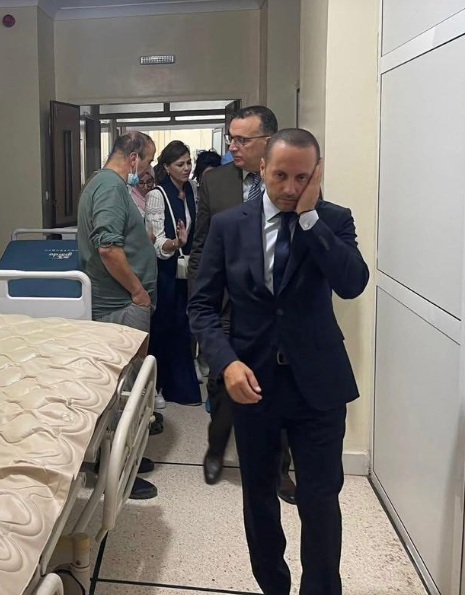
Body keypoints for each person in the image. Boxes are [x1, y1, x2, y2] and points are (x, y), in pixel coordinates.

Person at [188, 128, 369, 595]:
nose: (290, 188)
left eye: (302, 177)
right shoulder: (229, 225)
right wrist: (226, 363)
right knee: (260, 497)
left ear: (317, 175)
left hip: (318, 384)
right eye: (281, 176)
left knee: (320, 499)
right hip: (253, 382)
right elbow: (201, 307)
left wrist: (309, 218)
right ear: (263, 168)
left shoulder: (333, 220)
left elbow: (352, 283)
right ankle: (273, 585)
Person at [188, 106, 296, 503]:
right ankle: (216, 448)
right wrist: (199, 303)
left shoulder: (288, 180)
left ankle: (279, 469)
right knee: (223, 384)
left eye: (241, 140)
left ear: (268, 142)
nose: (232, 146)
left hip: (274, 309)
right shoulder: (214, 181)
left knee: (277, 390)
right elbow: (200, 245)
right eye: (230, 138)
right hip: (226, 306)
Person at [77, 130, 159, 500]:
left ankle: (124, 456)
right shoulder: (110, 187)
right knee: (122, 390)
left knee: (123, 388)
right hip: (120, 305)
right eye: (149, 160)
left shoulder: (103, 183)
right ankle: (115, 469)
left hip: (120, 301)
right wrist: (138, 293)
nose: (148, 169)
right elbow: (108, 248)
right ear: (134, 157)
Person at [144, 141, 200, 407]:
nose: (186, 168)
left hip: (187, 268)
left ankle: (180, 386)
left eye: (189, 162)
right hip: (166, 271)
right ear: (166, 167)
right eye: (180, 164)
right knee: (165, 326)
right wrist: (177, 243)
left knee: (183, 326)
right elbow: (156, 242)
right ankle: (156, 386)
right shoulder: (157, 195)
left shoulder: (191, 189)